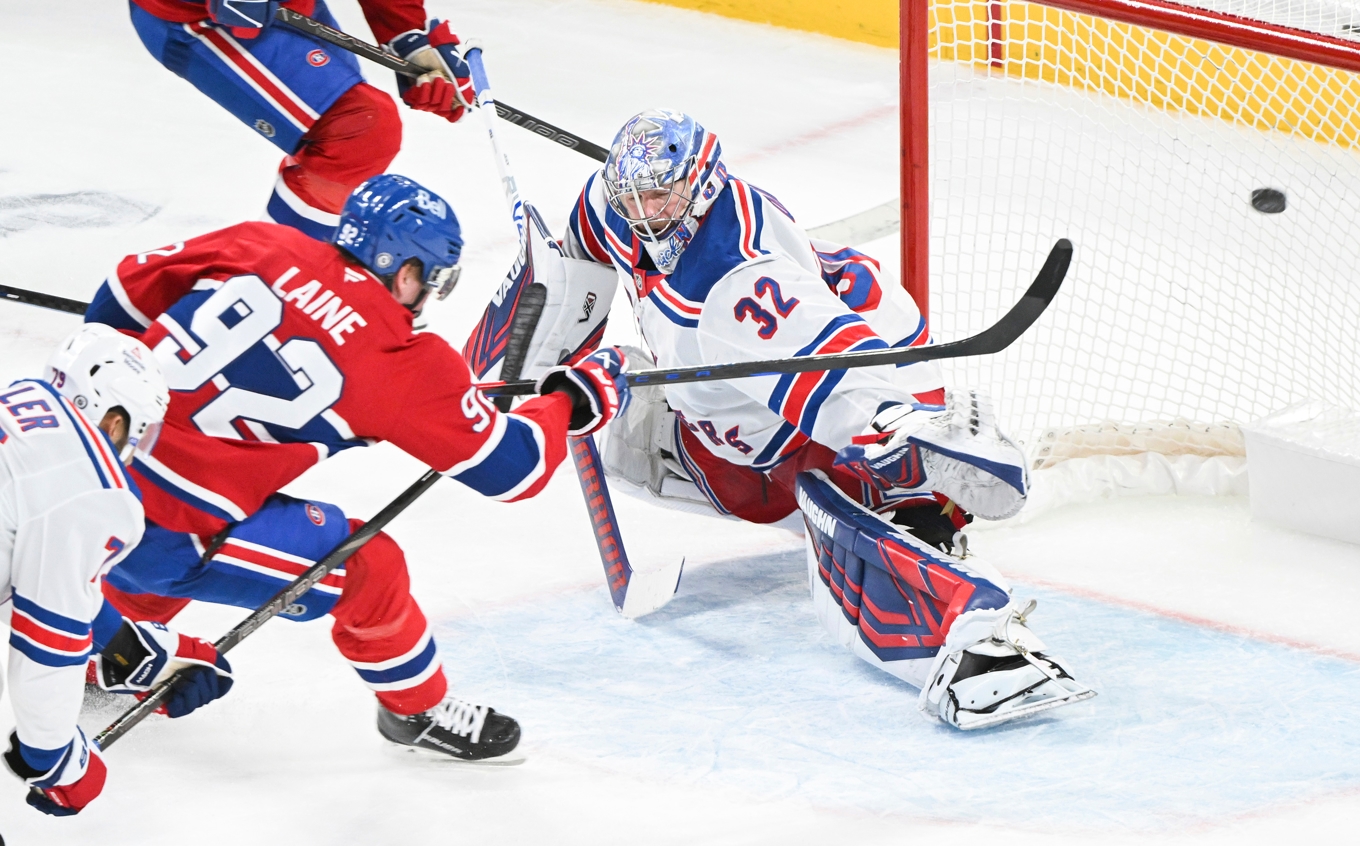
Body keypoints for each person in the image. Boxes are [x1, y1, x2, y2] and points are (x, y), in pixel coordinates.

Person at [466, 109, 1094, 730]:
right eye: (634, 198)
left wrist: (897, 423)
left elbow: (834, 371)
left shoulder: (738, 289)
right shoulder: (619, 207)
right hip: (771, 384)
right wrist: (542, 348)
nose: (644, 213)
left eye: (659, 197)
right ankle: (903, 485)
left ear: (700, 187)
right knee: (635, 448)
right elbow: (580, 250)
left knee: (851, 506)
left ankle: (935, 540)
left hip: (851, 372)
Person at [82, 173, 627, 761]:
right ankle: (415, 711)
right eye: (430, 282)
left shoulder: (265, 243)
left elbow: (123, 292)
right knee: (369, 567)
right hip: (159, 533)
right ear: (408, 272)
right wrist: (573, 396)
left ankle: (109, 644)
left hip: (78, 465)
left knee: (227, 503)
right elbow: (515, 469)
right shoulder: (402, 360)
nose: (425, 301)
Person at [3, 324, 233, 816]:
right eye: (138, 428)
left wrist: (124, 646)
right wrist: (53, 760)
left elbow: (22, 571)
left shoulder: (21, 404)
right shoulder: (93, 486)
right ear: (111, 417)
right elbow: (46, 639)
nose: (133, 445)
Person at [128, 0, 477, 240]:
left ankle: (295, 274)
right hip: (193, 17)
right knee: (359, 129)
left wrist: (407, 36)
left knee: (351, 133)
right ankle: (276, 286)